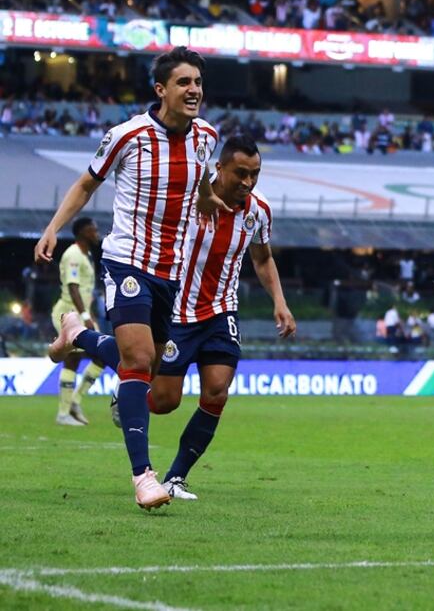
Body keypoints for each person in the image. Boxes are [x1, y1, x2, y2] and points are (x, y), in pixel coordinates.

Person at [38, 46, 226, 510]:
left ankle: (78, 334)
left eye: (198, 83)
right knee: (138, 360)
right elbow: (86, 183)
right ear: (160, 90)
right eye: (184, 82)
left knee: (149, 366)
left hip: (172, 272)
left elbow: (200, 182)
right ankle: (144, 476)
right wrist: (52, 228)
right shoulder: (127, 135)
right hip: (127, 262)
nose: (194, 90)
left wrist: (207, 202)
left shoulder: (206, 137)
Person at [64, 135, 296, 500]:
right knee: (163, 401)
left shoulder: (259, 210)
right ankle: (81, 336)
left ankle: (175, 477)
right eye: (241, 174)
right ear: (219, 168)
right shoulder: (190, 201)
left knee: (218, 390)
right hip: (176, 312)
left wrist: (279, 301)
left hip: (221, 310)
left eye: (255, 174)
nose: (248, 182)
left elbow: (262, 258)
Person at [51, 217, 106, 426]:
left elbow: (84, 291)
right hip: (69, 313)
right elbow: (73, 288)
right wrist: (84, 317)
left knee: (102, 355)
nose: (97, 233)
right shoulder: (73, 254)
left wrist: (88, 314)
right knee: (73, 359)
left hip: (83, 313)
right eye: (93, 230)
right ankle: (64, 413)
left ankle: (75, 401)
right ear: (83, 232)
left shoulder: (87, 255)